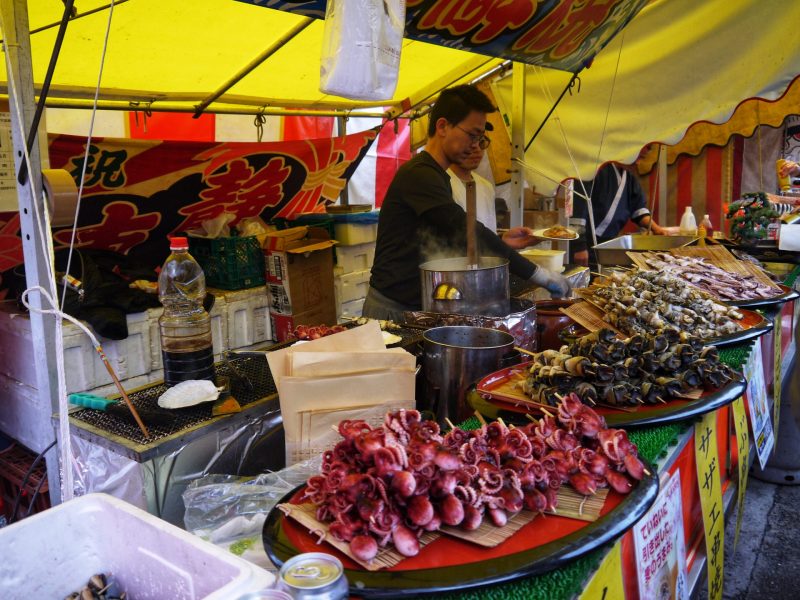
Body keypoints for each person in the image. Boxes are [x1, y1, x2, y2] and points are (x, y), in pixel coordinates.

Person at [363, 84, 570, 321]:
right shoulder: (419, 175)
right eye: (472, 135)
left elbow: (450, 239)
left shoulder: (437, 175)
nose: (475, 145)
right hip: (392, 311)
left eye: (480, 138)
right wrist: (540, 275)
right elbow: (465, 230)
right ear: (442, 126)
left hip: (420, 308)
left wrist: (502, 242)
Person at [448, 138, 540, 250]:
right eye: (470, 140)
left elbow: (489, 232)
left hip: (486, 264)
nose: (477, 148)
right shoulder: (439, 183)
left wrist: (502, 240)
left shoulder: (486, 186)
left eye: (481, 143)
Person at [569, 162, 665, 266]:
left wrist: (657, 229)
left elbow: (638, 209)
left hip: (607, 244)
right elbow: (577, 210)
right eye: (645, 148)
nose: (647, 151)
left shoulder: (629, 177)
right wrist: (579, 247)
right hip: (584, 242)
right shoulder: (594, 170)